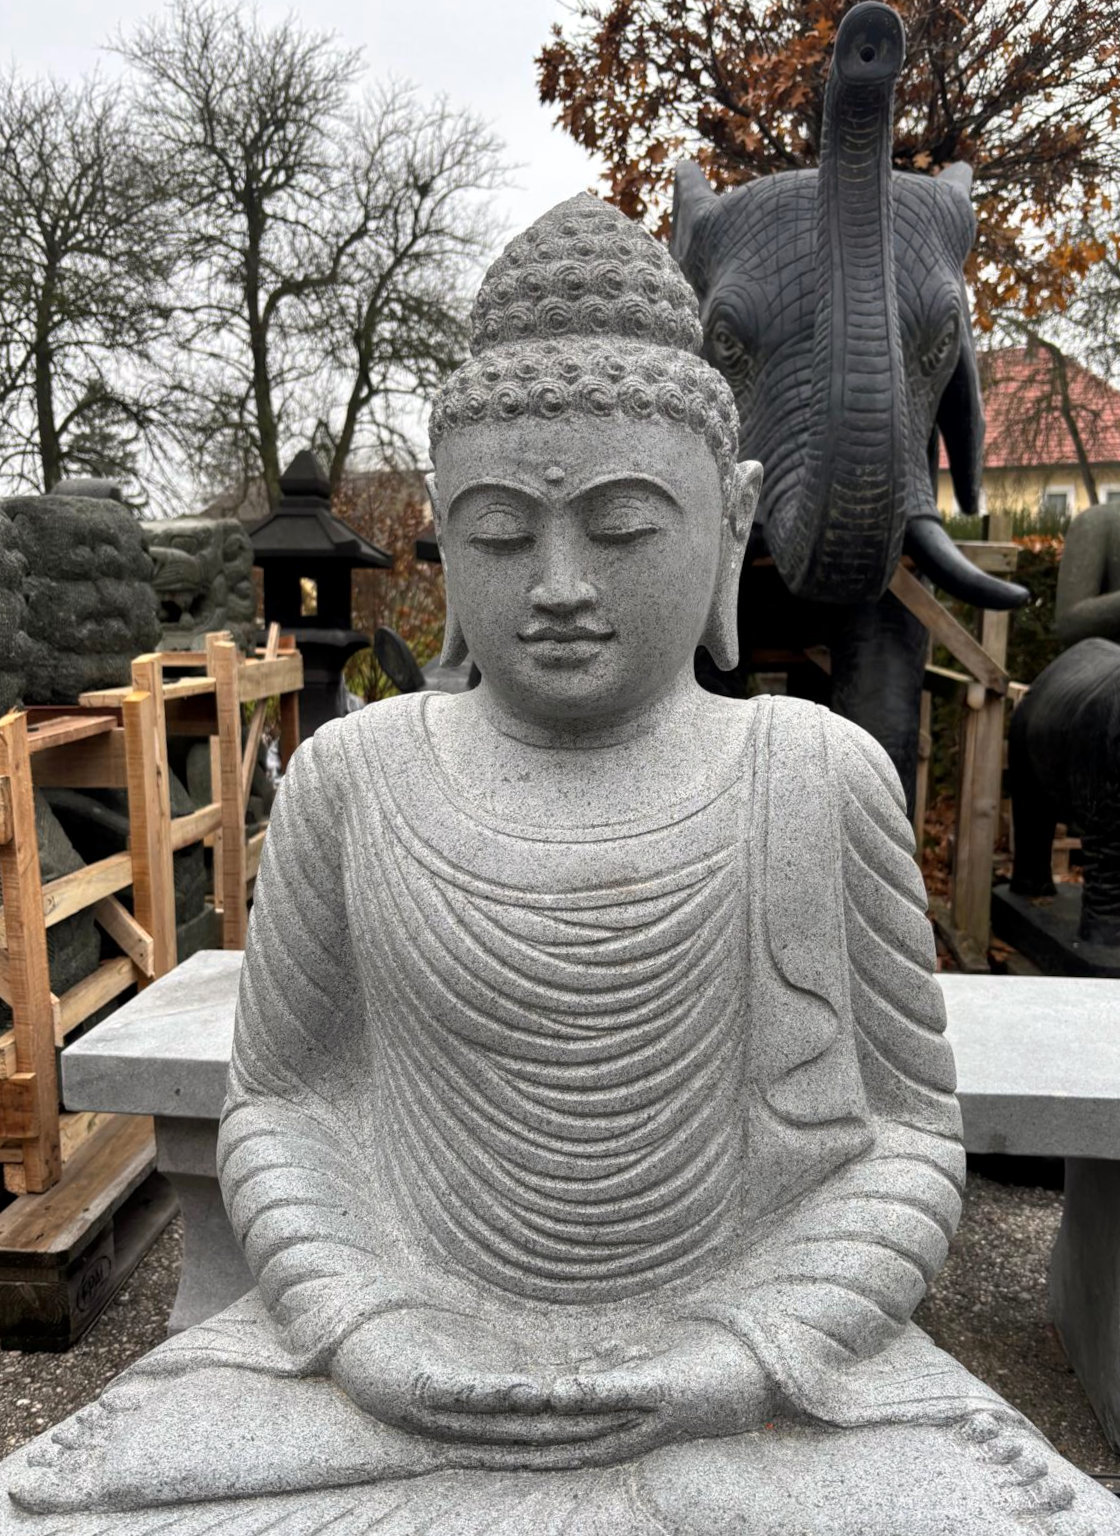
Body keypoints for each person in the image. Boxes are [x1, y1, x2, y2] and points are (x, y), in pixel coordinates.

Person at [7, 195, 1117, 1536]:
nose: (559, 584)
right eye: (497, 533)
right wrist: (364, 1322)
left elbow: (908, 1136)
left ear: (731, 522)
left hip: (747, 1358)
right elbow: (287, 1107)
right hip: (396, 1345)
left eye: (624, 526)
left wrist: (749, 1352)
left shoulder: (812, 775)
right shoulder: (356, 778)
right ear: (443, 531)